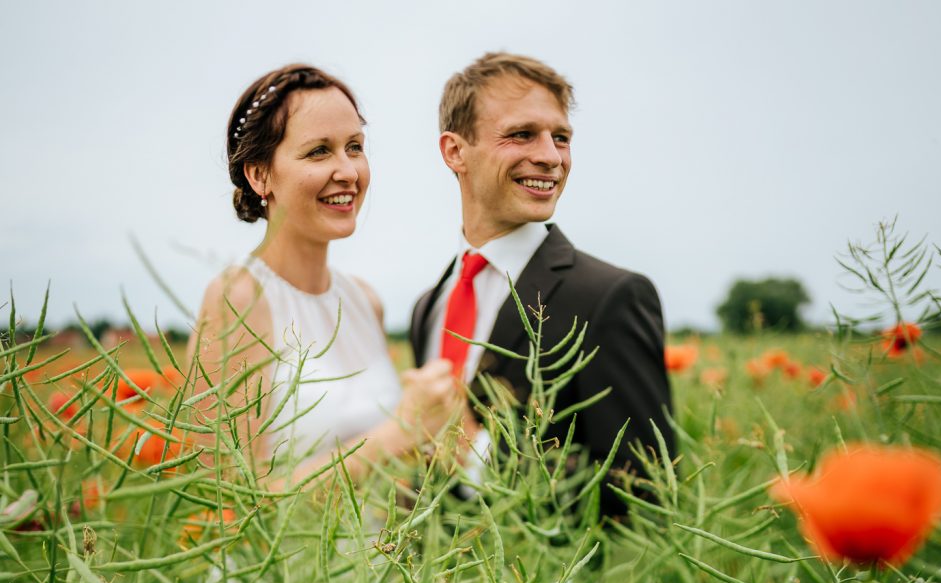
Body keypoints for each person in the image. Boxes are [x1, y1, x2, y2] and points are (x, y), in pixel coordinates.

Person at [409, 53, 674, 516]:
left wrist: (476, 456)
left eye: (562, 138)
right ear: (455, 151)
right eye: (521, 134)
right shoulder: (428, 307)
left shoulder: (609, 298)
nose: (550, 157)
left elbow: (645, 499)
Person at [187, 64, 460, 487]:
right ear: (259, 175)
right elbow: (227, 504)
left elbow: (391, 473)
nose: (348, 171)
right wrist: (399, 430)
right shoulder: (237, 299)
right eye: (319, 151)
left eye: (355, 147)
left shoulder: (364, 301)